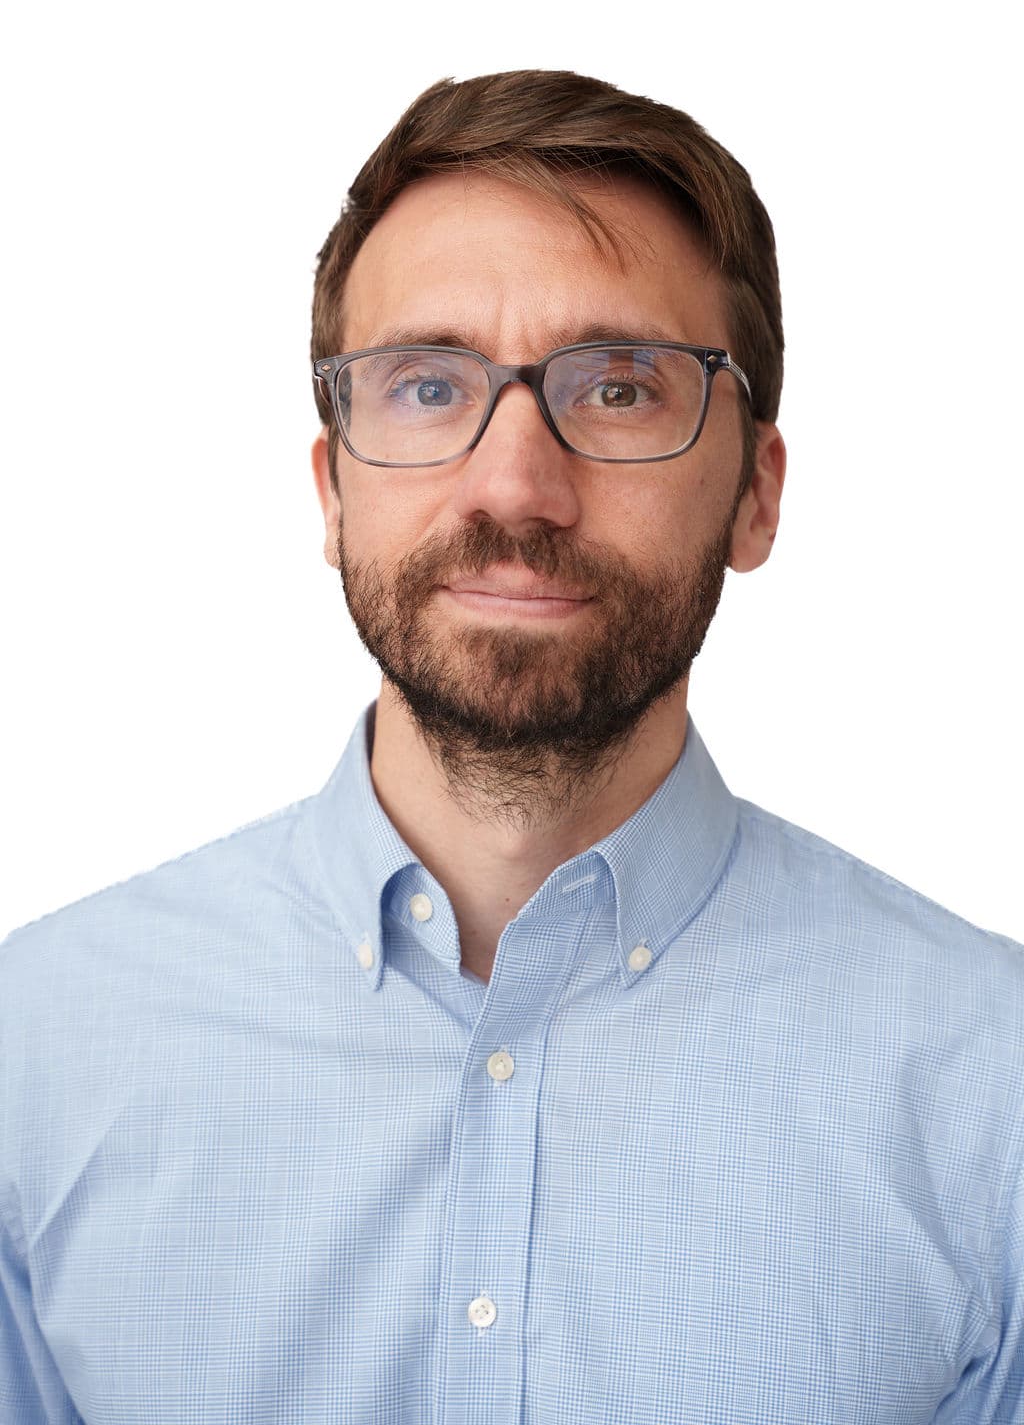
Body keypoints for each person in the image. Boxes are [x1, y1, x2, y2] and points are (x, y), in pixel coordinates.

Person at [2, 69, 1021, 1424]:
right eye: (428, 385)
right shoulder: (39, 1051)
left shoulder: (990, 1086)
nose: (516, 486)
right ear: (333, 487)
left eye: (618, 389)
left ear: (756, 496)